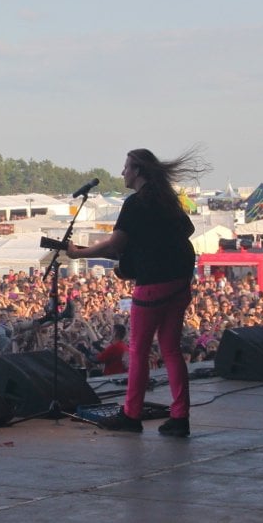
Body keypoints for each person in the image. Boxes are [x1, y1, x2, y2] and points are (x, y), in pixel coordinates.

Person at [64, 147, 205, 437]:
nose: (122, 172)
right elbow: (187, 230)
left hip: (153, 284)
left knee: (139, 351)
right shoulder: (166, 199)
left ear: (138, 171)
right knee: (171, 349)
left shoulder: (135, 203)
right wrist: (152, 245)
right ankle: (180, 417)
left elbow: (114, 245)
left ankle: (131, 414)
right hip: (180, 280)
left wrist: (78, 254)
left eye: (126, 167)